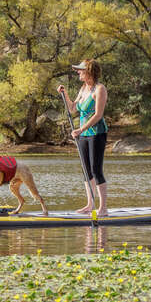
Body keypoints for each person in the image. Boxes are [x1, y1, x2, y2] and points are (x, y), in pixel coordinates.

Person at [57, 59, 108, 217]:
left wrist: (81, 129)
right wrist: (64, 94)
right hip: (83, 134)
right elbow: (73, 108)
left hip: (96, 133)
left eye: (80, 70)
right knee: (86, 171)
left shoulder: (99, 89)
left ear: (89, 72)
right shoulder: (83, 89)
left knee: (95, 169)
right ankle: (89, 204)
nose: (78, 72)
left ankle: (103, 208)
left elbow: (98, 115)